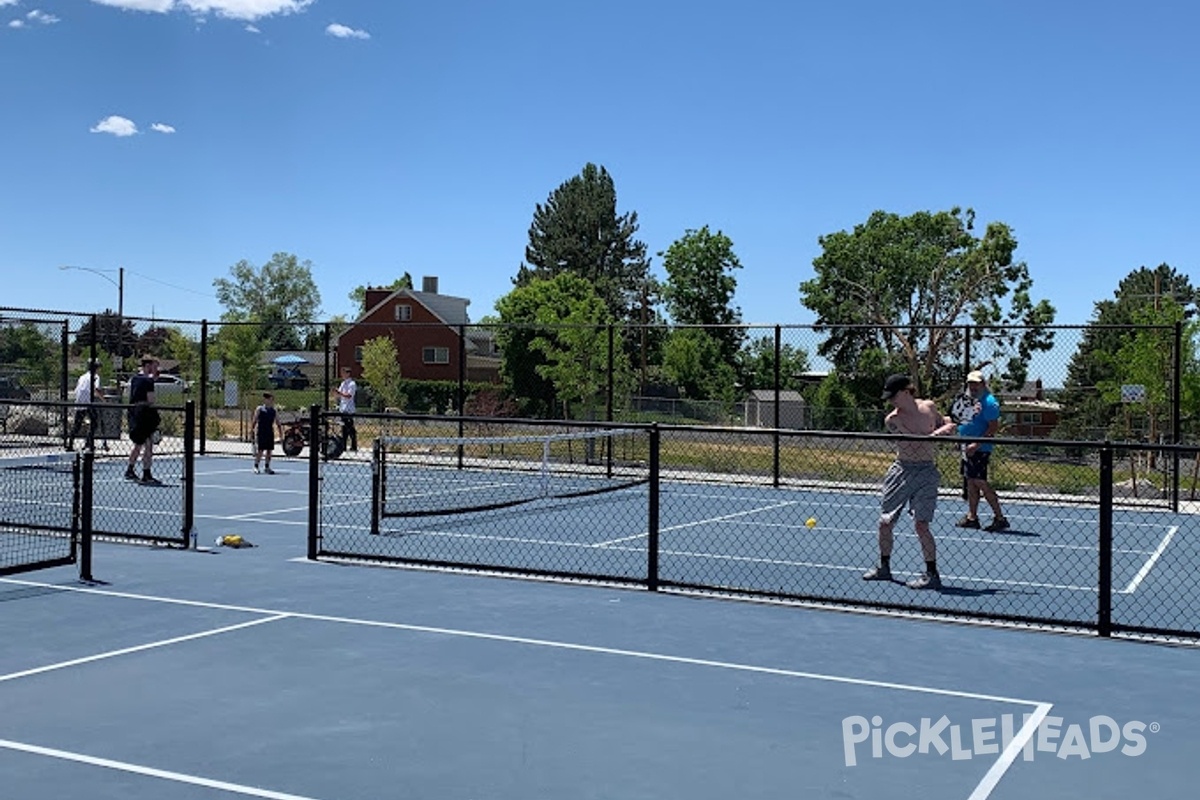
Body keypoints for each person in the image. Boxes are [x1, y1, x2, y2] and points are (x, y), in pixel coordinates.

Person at [863, 374, 958, 590]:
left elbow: (946, 423)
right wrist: (939, 433)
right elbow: (915, 444)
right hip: (902, 471)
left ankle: (932, 574)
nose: (891, 401)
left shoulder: (929, 407)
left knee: (922, 525)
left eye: (893, 396)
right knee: (885, 522)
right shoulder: (893, 420)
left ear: (906, 391)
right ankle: (884, 567)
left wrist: (949, 425)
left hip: (927, 472)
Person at [955, 370, 1009, 532]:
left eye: (976, 383)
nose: (973, 386)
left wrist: (976, 444)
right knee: (971, 481)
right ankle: (972, 516)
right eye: (970, 383)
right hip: (967, 447)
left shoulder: (989, 402)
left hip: (980, 449)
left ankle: (999, 517)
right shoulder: (968, 400)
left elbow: (993, 427)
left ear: (983, 384)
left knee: (979, 481)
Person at [125, 356, 162, 486]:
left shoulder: (135, 379)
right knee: (148, 445)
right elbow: (150, 400)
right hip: (144, 415)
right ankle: (146, 473)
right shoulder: (148, 381)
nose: (155, 369)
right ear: (148, 366)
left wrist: (153, 380)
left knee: (138, 444)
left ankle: (130, 469)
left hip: (134, 414)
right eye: (153, 366)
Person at [67, 359, 103, 451]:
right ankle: (88, 443)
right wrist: (104, 399)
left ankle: (70, 444)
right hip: (88, 402)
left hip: (79, 401)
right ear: (96, 368)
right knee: (94, 423)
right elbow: (97, 389)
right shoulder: (95, 376)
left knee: (77, 425)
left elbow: (78, 389)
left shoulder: (82, 376)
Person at [250, 392, 284, 474]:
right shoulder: (259, 409)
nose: (271, 401)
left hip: (269, 432)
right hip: (261, 432)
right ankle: (256, 466)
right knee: (260, 450)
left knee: (269, 450)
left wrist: (281, 435)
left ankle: (267, 467)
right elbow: (254, 421)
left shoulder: (274, 411)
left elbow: (278, 423)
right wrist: (252, 430)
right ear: (265, 400)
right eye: (269, 399)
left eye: (271, 399)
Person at [335, 366, 358, 452]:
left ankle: (354, 445)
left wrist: (340, 393)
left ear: (348, 374)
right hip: (343, 408)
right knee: (344, 428)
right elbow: (339, 395)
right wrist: (336, 393)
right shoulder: (343, 383)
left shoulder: (352, 384)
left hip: (349, 409)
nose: (342, 375)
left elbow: (349, 396)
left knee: (350, 428)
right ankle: (343, 445)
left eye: (344, 373)